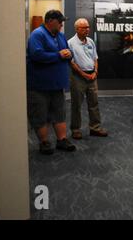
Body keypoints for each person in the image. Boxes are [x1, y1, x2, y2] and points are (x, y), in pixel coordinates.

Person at [27, 10, 76, 155]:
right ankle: (44, 142)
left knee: (59, 113)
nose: (61, 24)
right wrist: (58, 55)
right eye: (59, 21)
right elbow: (36, 55)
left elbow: (67, 52)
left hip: (57, 85)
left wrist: (69, 54)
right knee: (40, 115)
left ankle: (61, 140)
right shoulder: (37, 34)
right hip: (39, 86)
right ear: (49, 21)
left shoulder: (60, 35)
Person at [68, 18, 108, 139]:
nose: (87, 30)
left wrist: (95, 71)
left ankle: (95, 128)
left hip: (92, 77)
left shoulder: (90, 41)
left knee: (94, 103)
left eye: (88, 27)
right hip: (78, 78)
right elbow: (71, 62)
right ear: (77, 29)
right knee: (76, 104)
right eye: (84, 28)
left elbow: (95, 58)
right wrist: (83, 74)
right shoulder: (70, 43)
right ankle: (75, 129)